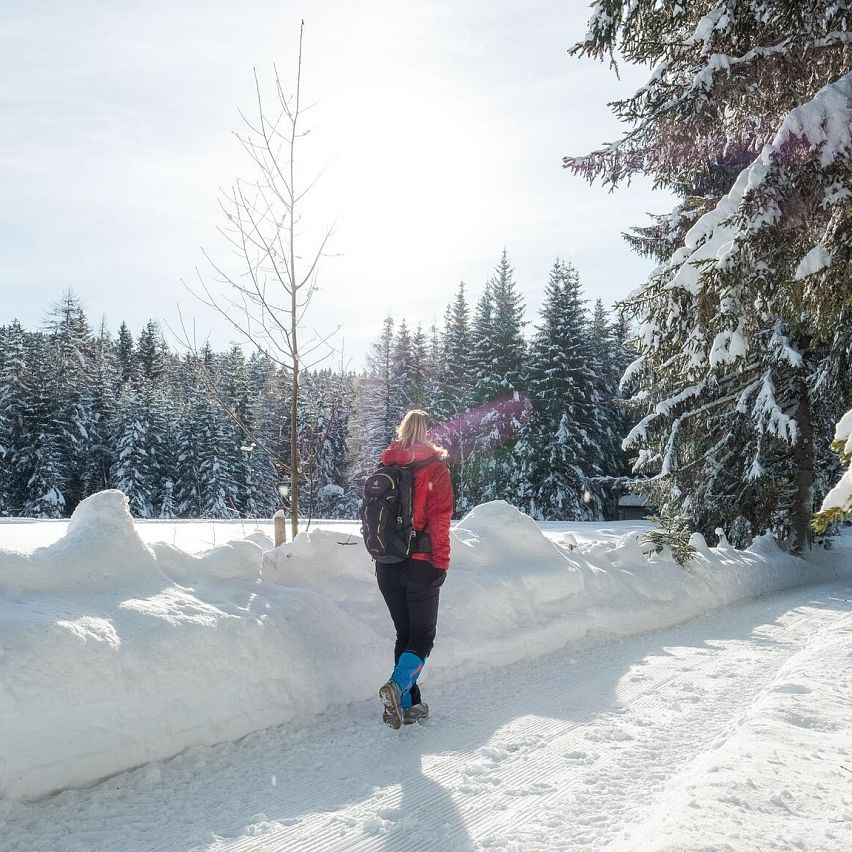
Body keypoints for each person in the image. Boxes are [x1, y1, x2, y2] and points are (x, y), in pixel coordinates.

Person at [376, 409, 454, 728]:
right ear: (428, 431)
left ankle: (407, 704)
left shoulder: (385, 466)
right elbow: (439, 521)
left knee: (405, 634)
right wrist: (441, 563)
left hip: (387, 563)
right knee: (422, 637)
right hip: (420, 563)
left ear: (403, 429)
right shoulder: (435, 469)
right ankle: (397, 687)